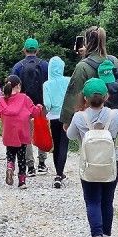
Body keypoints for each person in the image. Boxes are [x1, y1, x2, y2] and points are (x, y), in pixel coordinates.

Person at [66, 78, 118, 237]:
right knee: (107, 200)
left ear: (85, 98)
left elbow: (69, 136)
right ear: (107, 96)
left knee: (92, 201)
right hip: (110, 164)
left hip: (88, 165)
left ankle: (97, 236)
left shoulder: (79, 117)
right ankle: (106, 236)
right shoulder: (116, 116)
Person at [61, 25, 118, 130]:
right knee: (111, 144)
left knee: (89, 145)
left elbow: (74, 94)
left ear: (87, 42)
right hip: (111, 116)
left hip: (89, 119)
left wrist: (67, 120)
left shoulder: (82, 66)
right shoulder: (113, 61)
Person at [0, 74, 43, 189]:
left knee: (10, 154)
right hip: (22, 132)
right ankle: (22, 182)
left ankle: (10, 166)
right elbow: (34, 113)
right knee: (21, 158)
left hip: (9, 133)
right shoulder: (24, 98)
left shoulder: (1, 99)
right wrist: (39, 107)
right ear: (18, 85)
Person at [11, 37, 49, 176]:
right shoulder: (45, 65)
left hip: (23, 106)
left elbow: (13, 88)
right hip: (41, 105)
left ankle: (30, 166)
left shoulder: (17, 67)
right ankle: (42, 163)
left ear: (24, 50)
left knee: (26, 135)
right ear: (37, 50)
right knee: (41, 131)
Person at [43, 55, 70, 188]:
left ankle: (58, 174)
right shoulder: (68, 81)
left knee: (57, 145)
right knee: (64, 144)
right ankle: (60, 173)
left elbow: (47, 104)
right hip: (66, 116)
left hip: (53, 117)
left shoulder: (46, 84)